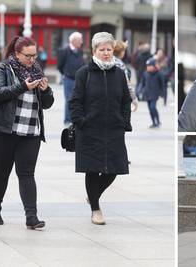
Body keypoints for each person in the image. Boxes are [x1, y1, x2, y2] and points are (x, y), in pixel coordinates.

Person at [0, 36, 54, 229]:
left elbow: (48, 104)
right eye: (28, 56)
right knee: (2, 171)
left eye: (35, 56)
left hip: (30, 131)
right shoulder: (2, 69)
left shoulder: (37, 71)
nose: (33, 60)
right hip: (3, 131)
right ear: (16, 53)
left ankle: (31, 217)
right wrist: (23, 86)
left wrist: (46, 90)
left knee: (27, 174)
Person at [69, 32, 132, 225]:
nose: (106, 53)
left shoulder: (120, 73)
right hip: (89, 130)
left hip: (114, 129)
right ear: (94, 51)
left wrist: (124, 121)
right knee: (92, 169)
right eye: (102, 49)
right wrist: (81, 121)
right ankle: (95, 208)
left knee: (114, 169)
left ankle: (93, 195)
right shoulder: (84, 73)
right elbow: (75, 101)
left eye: (109, 49)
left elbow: (125, 100)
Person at [57, 32, 84, 126]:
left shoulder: (80, 51)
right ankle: (67, 121)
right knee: (69, 99)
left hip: (79, 80)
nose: (81, 42)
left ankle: (75, 119)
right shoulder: (64, 50)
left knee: (78, 100)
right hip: (68, 79)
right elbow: (59, 65)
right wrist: (65, 74)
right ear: (74, 41)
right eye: (80, 40)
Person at [138, 57, 165, 128]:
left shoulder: (159, 74)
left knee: (153, 107)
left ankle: (158, 121)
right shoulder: (145, 73)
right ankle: (153, 122)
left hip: (155, 94)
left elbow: (162, 85)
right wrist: (140, 90)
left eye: (150, 66)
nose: (148, 67)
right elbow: (142, 83)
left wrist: (163, 94)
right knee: (150, 109)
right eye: (147, 66)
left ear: (154, 66)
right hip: (147, 94)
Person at [113, 40, 138, 112]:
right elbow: (126, 83)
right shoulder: (120, 64)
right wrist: (134, 98)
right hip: (117, 96)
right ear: (121, 52)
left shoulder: (107, 60)